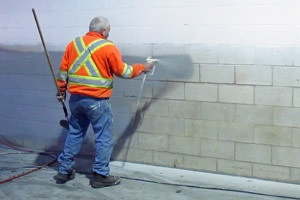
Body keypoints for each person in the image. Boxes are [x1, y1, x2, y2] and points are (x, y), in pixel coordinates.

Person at [53, 16, 154, 188]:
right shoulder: (108, 47)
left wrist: (61, 91)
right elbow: (124, 71)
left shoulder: (74, 44)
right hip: (97, 101)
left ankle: (64, 170)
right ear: (104, 31)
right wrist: (143, 67)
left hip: (76, 100)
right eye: (109, 31)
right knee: (103, 138)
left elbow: (63, 70)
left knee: (75, 133)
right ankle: (100, 175)